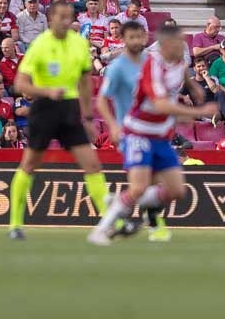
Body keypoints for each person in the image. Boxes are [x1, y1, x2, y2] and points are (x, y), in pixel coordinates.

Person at [89, 24, 216, 246]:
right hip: (137, 131)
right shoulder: (145, 67)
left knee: (175, 190)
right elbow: (160, 104)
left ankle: (123, 203)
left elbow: (180, 73)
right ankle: (107, 228)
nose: (183, 47)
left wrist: (192, 85)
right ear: (165, 45)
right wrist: (197, 112)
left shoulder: (174, 62)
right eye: (178, 43)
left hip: (161, 134)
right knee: (141, 186)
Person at [7, 0, 109, 239]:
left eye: (69, 17)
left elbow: (85, 82)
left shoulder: (79, 43)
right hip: (44, 108)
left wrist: (87, 116)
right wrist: (46, 91)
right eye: (61, 17)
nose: (65, 21)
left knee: (92, 165)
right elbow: (20, 84)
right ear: (50, 19)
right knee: (29, 165)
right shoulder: (40, 45)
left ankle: (110, 221)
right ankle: (15, 225)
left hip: (70, 109)